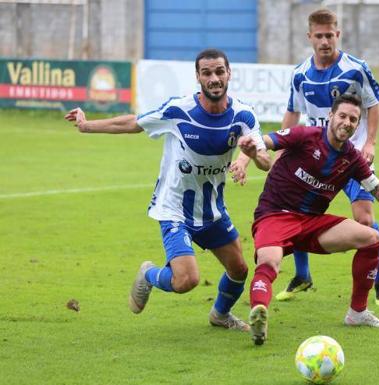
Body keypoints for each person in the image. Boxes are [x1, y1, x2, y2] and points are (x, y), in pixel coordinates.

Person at [64, 48, 271, 331]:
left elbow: (265, 161)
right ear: (198, 76)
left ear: (229, 74)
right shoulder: (179, 110)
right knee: (187, 280)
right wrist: (86, 126)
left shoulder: (243, 115)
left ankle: (220, 315)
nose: (214, 78)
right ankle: (149, 274)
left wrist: (251, 155)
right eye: (207, 73)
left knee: (239, 270)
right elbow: (133, 123)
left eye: (219, 72)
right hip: (174, 208)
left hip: (211, 210)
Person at [238, 94, 379, 346]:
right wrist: (247, 155)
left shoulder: (352, 158)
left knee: (371, 238)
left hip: (312, 223)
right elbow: (264, 141)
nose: (347, 122)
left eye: (354, 119)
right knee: (270, 262)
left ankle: (357, 313)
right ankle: (259, 315)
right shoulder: (305, 135)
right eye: (342, 116)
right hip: (275, 215)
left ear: (357, 125)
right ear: (331, 116)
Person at [276, 8, 379, 306]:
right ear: (310, 37)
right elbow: (293, 111)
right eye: (319, 36)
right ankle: (303, 276)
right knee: (294, 213)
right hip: (315, 158)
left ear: (337, 34)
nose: (325, 41)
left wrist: (370, 142)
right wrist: (282, 148)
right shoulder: (300, 74)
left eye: (330, 35)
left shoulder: (355, 68)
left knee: (364, 220)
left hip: (351, 158)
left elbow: (373, 104)